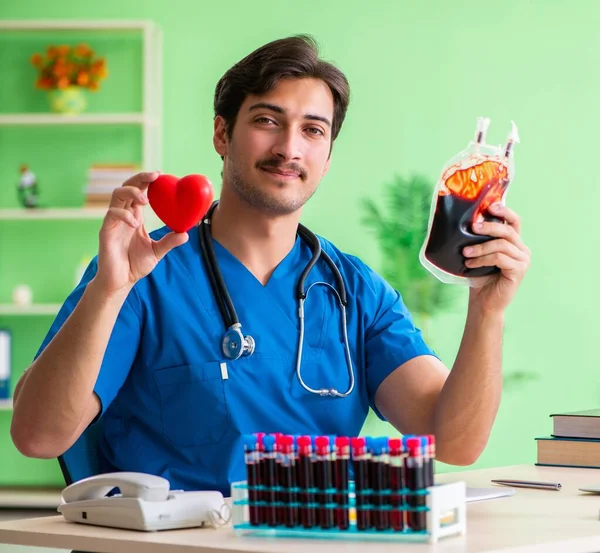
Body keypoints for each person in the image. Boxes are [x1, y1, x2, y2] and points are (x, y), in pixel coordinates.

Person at [11, 35, 530, 496]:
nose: (289, 147)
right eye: (267, 120)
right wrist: (108, 291)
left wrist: (487, 311)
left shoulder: (356, 292)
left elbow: (455, 442)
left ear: (328, 155)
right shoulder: (142, 273)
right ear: (221, 134)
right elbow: (38, 436)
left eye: (313, 130)